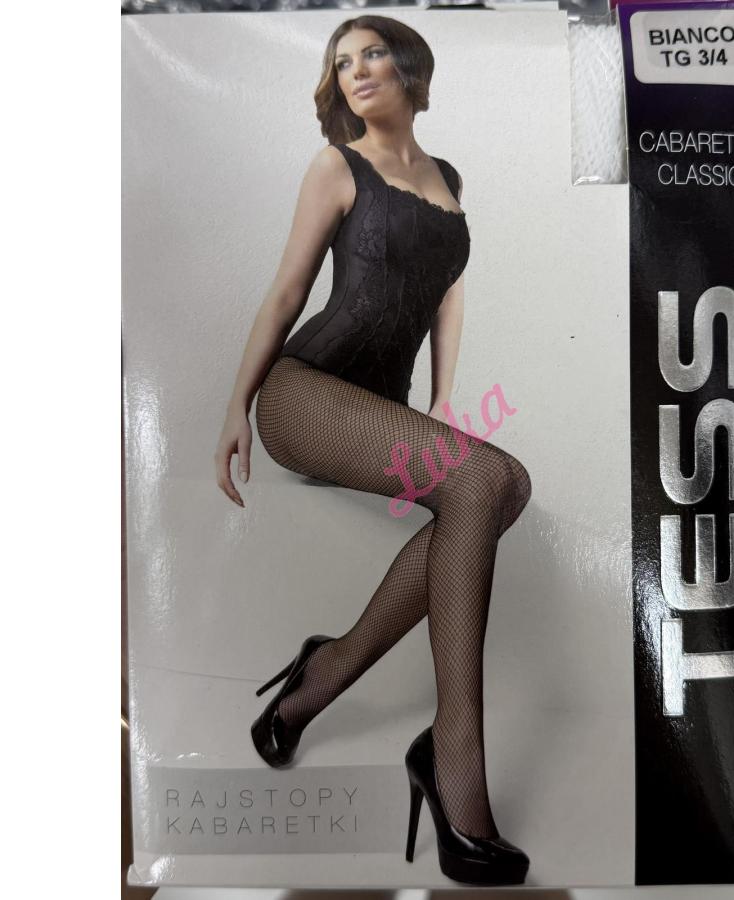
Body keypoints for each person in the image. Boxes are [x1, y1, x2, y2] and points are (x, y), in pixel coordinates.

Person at [213, 15, 531, 886]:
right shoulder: (336, 167)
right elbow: (288, 290)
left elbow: (447, 298)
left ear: (408, 66)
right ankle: (455, 755)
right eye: (341, 61)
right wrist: (238, 406)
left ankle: (325, 672)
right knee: (484, 479)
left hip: (378, 408)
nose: (356, 71)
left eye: (373, 53)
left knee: (505, 483)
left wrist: (443, 405)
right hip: (305, 395)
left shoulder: (446, 178)